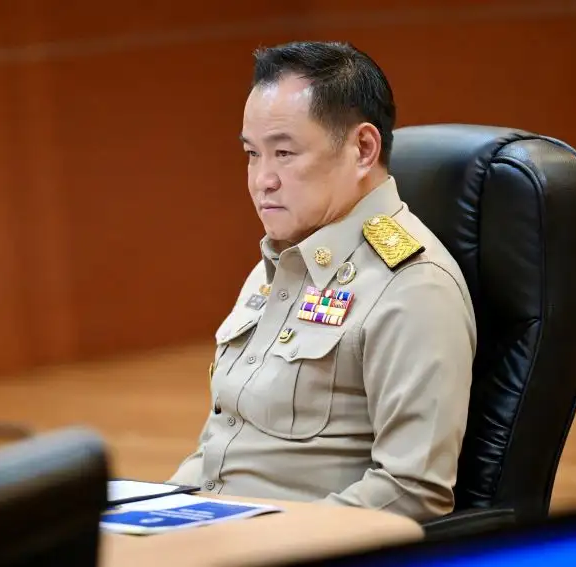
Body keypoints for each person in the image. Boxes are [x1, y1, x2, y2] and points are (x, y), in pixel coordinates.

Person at [168, 40, 476, 521]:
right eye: (252, 154)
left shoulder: (413, 285)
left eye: (284, 153)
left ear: (363, 149)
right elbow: (219, 447)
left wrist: (266, 541)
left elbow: (411, 492)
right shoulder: (279, 263)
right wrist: (154, 511)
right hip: (207, 529)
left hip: (287, 541)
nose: (261, 179)